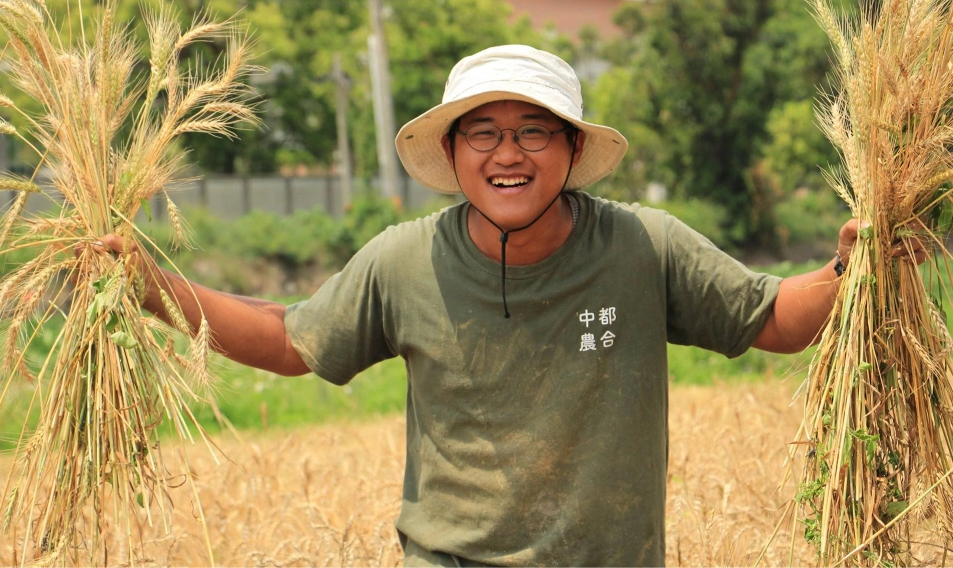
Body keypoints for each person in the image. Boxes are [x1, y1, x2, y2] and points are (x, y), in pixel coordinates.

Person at [94, 45, 923, 566]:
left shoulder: (644, 246)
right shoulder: (405, 259)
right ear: (451, 152)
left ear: (572, 147)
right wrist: (150, 282)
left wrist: (851, 270)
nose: (508, 153)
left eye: (534, 130)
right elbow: (288, 339)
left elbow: (773, 318)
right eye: (482, 132)